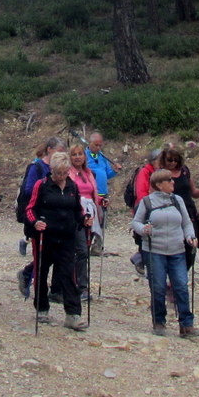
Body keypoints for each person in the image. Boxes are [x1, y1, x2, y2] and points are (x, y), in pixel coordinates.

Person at [25, 152, 92, 331]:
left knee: (69, 274)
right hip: (44, 237)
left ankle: (73, 314)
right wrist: (35, 222)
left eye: (64, 172)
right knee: (41, 271)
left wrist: (84, 218)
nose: (61, 177)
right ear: (52, 170)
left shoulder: (72, 187)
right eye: (57, 173)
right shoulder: (43, 185)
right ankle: (42, 308)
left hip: (67, 237)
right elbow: (30, 208)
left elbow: (77, 210)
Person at [132, 168, 199, 338]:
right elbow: (135, 222)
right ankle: (159, 321)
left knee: (181, 285)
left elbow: (186, 222)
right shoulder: (147, 202)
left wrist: (190, 237)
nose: (173, 183)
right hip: (154, 250)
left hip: (177, 250)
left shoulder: (178, 201)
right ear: (159, 185)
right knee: (158, 287)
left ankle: (186, 324)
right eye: (169, 180)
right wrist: (143, 229)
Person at [16, 136, 66, 297]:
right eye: (58, 152)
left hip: (57, 216)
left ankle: (32, 276)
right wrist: (47, 192)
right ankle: (32, 280)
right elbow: (28, 190)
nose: (60, 156)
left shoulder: (59, 169)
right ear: (49, 150)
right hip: (38, 216)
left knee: (55, 253)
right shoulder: (36, 167)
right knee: (43, 253)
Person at [157, 147, 199, 265]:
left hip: (189, 211)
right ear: (164, 160)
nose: (173, 163)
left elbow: (193, 193)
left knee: (191, 243)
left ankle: (182, 273)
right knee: (174, 244)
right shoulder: (160, 175)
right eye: (170, 160)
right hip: (170, 213)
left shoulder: (185, 171)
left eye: (176, 160)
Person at [68, 143, 102, 301]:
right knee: (81, 250)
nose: (77, 157)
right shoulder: (69, 173)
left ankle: (79, 285)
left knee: (84, 250)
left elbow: (92, 193)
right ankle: (81, 286)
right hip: (74, 214)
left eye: (80, 154)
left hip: (90, 213)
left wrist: (101, 201)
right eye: (74, 154)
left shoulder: (88, 173)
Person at [86, 132, 121, 255]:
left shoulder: (102, 157)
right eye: (96, 145)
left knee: (102, 221)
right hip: (90, 195)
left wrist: (115, 171)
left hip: (103, 193)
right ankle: (86, 244)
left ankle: (97, 246)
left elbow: (107, 174)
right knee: (91, 220)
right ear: (90, 143)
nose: (98, 148)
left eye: (100, 145)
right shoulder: (84, 156)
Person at [129, 148, 162, 274]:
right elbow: (141, 192)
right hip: (144, 208)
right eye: (159, 159)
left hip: (155, 207)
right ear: (153, 160)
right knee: (144, 237)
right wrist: (150, 206)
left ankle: (142, 260)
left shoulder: (160, 172)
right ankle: (140, 260)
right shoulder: (145, 172)